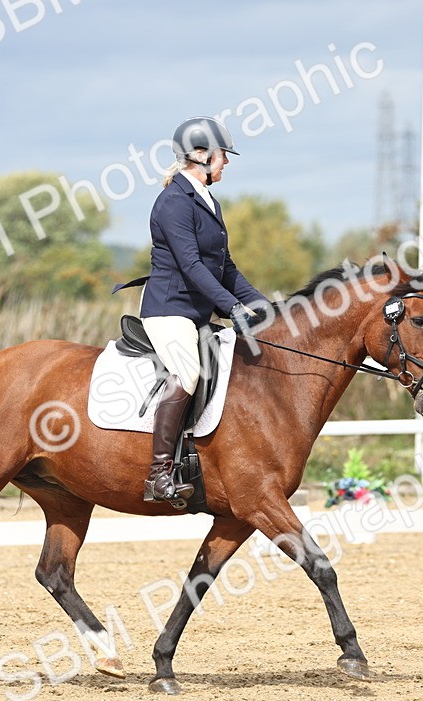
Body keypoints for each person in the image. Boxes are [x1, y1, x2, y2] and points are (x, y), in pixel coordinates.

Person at [113, 116, 270, 502]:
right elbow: (191, 266)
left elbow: (225, 267)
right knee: (187, 372)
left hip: (197, 312)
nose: (226, 162)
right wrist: (231, 306)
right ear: (200, 155)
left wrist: (263, 306)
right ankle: (159, 474)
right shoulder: (173, 202)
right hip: (169, 310)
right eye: (222, 155)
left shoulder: (208, 201)